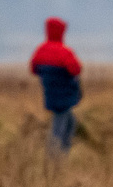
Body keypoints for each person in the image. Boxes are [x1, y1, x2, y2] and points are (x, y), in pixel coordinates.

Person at [30, 17, 82, 157]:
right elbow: (76, 69)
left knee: (70, 123)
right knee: (60, 129)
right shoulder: (64, 52)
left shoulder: (41, 50)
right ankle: (54, 159)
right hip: (64, 95)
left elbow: (33, 68)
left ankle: (61, 157)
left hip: (51, 94)